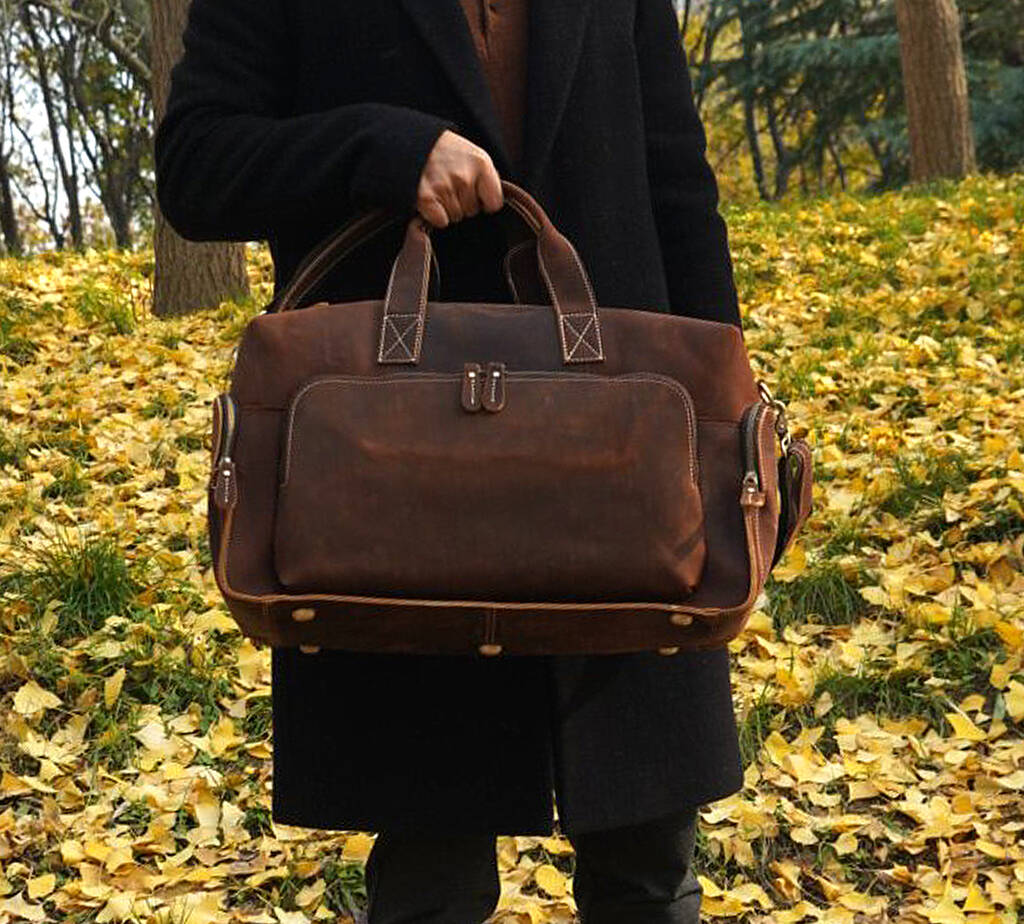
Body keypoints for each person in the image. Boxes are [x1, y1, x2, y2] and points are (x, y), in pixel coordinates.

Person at [155, 1, 745, 921]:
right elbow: (197, 166)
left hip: (627, 460)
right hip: (395, 481)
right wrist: (383, 150)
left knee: (649, 874)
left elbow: (676, 179)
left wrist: (729, 417)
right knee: (430, 886)